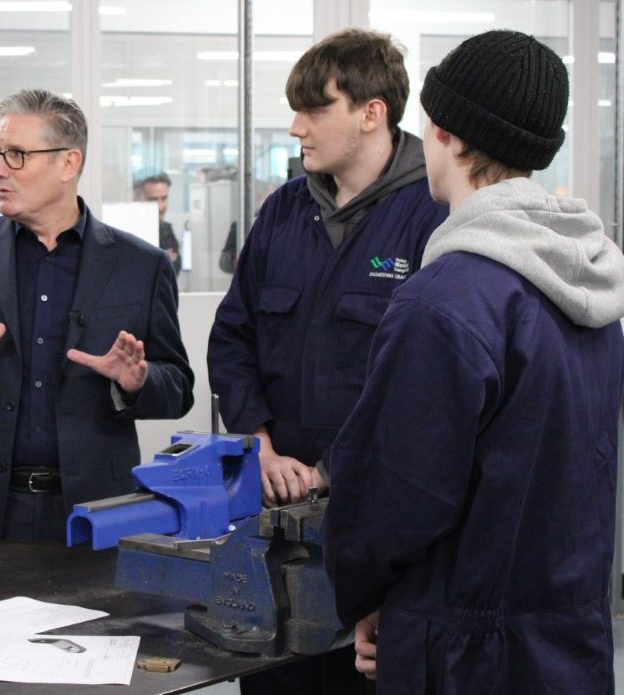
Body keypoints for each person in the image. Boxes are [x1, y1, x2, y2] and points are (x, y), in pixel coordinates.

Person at [322, 30, 624, 693]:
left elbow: (394, 494)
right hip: (570, 643)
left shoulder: (444, 301)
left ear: (450, 136)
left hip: (461, 650)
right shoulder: (592, 292)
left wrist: (364, 597)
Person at [206, 28, 448, 694]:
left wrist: (327, 471)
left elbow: (430, 390)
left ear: (372, 112)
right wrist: (258, 445)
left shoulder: (434, 217)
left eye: (315, 109)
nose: (295, 127)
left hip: (382, 533)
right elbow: (232, 337)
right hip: (273, 521)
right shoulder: (283, 211)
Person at [0, 89, 194, 543]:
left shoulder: (142, 265)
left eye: (15, 155)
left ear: (68, 163)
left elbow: (177, 388)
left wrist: (137, 382)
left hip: (92, 510)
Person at [135, 172, 181, 274]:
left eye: (164, 199)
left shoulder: (166, 229)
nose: (161, 206)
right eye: (153, 200)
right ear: (139, 199)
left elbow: (175, 267)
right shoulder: (131, 231)